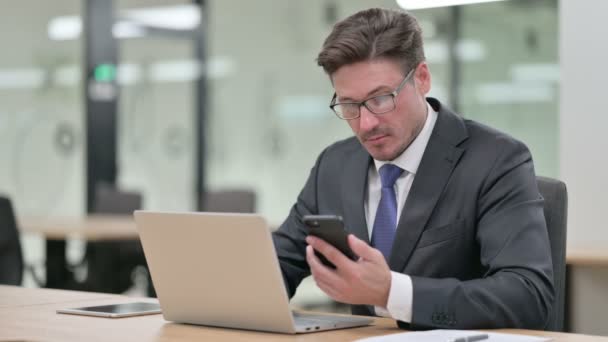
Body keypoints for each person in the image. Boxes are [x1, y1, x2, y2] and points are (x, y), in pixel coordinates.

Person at [272, 8, 554, 330]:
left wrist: (393, 291)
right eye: (349, 105)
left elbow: (528, 295)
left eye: (380, 98)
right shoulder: (334, 166)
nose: (366, 123)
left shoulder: (496, 160)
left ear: (422, 78)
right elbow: (277, 265)